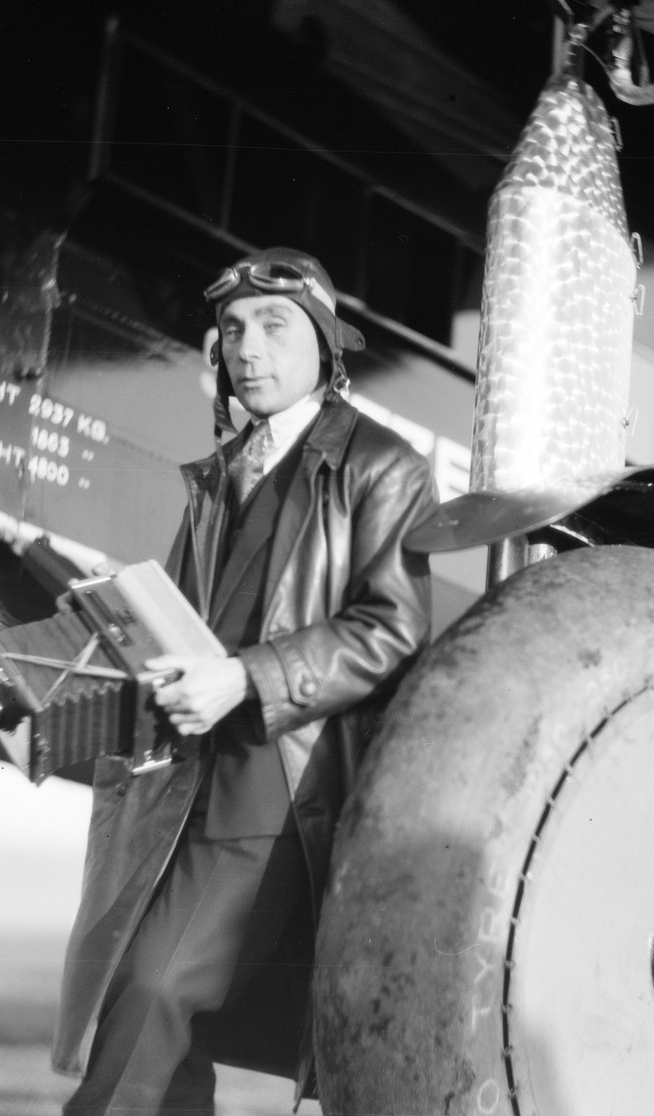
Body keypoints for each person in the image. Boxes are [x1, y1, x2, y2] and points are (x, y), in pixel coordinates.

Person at [53, 247, 438, 1114]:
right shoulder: (221, 472)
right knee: (143, 1007)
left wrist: (243, 678)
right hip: (181, 789)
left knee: (153, 995)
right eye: (232, 330)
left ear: (326, 344)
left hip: (281, 789)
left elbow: (392, 631)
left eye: (274, 326)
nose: (248, 347)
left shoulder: (384, 465)